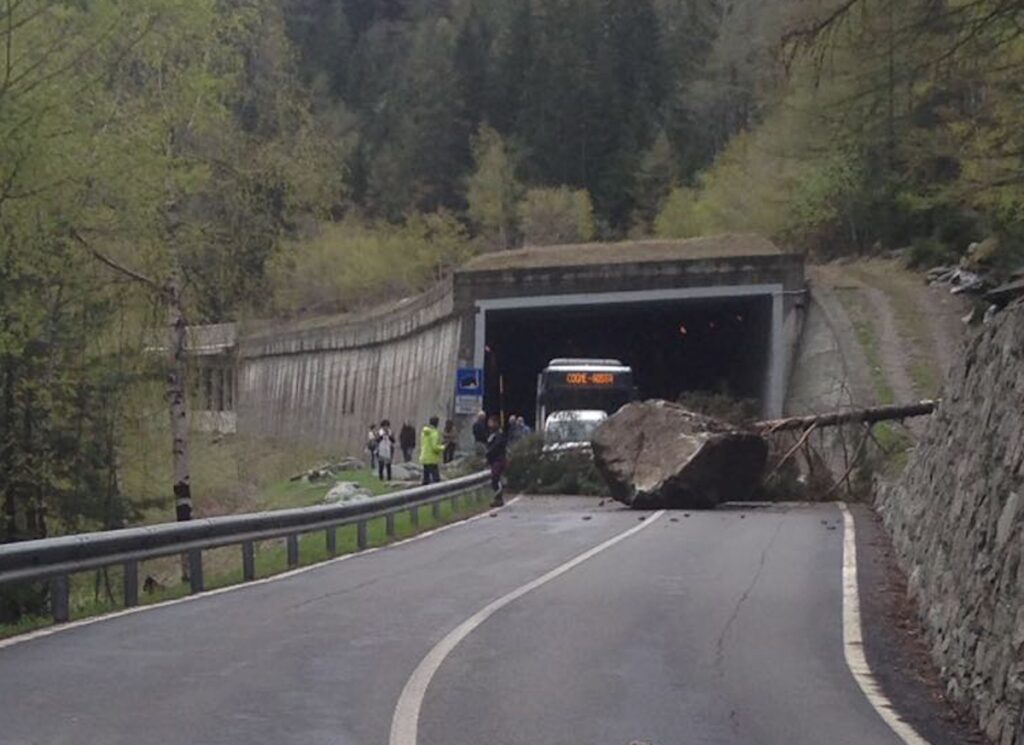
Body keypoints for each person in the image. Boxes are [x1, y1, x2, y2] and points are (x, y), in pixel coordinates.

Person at [485, 415, 508, 507]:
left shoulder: (499, 435)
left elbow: (496, 447)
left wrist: (488, 453)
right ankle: (497, 498)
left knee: (496, 478)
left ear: (496, 423)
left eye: (491, 422)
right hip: (493, 460)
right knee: (495, 479)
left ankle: (498, 498)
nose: (489, 424)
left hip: (499, 459)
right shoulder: (491, 435)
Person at [420, 416, 445, 485]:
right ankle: (437, 494)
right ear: (437, 423)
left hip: (424, 457)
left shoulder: (424, 432)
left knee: (426, 478)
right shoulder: (434, 433)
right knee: (436, 479)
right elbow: (435, 447)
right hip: (432, 459)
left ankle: (423, 493)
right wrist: (443, 447)